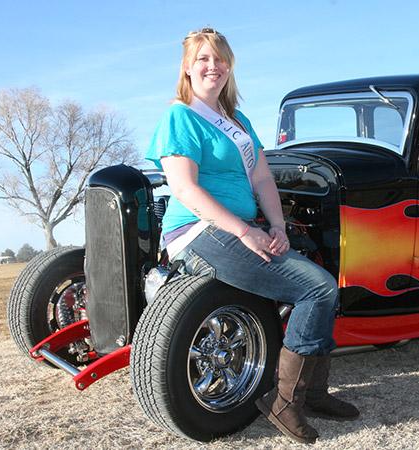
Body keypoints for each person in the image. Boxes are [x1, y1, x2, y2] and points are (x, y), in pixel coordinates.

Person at [145, 28, 358, 444]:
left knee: (319, 282)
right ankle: (285, 401)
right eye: (203, 59)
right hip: (198, 230)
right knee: (317, 288)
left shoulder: (237, 121)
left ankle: (313, 392)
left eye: (220, 59)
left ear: (230, 67)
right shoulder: (180, 117)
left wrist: (277, 227)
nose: (213, 66)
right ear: (187, 68)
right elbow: (186, 189)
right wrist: (245, 231)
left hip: (244, 228)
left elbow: (262, 178)